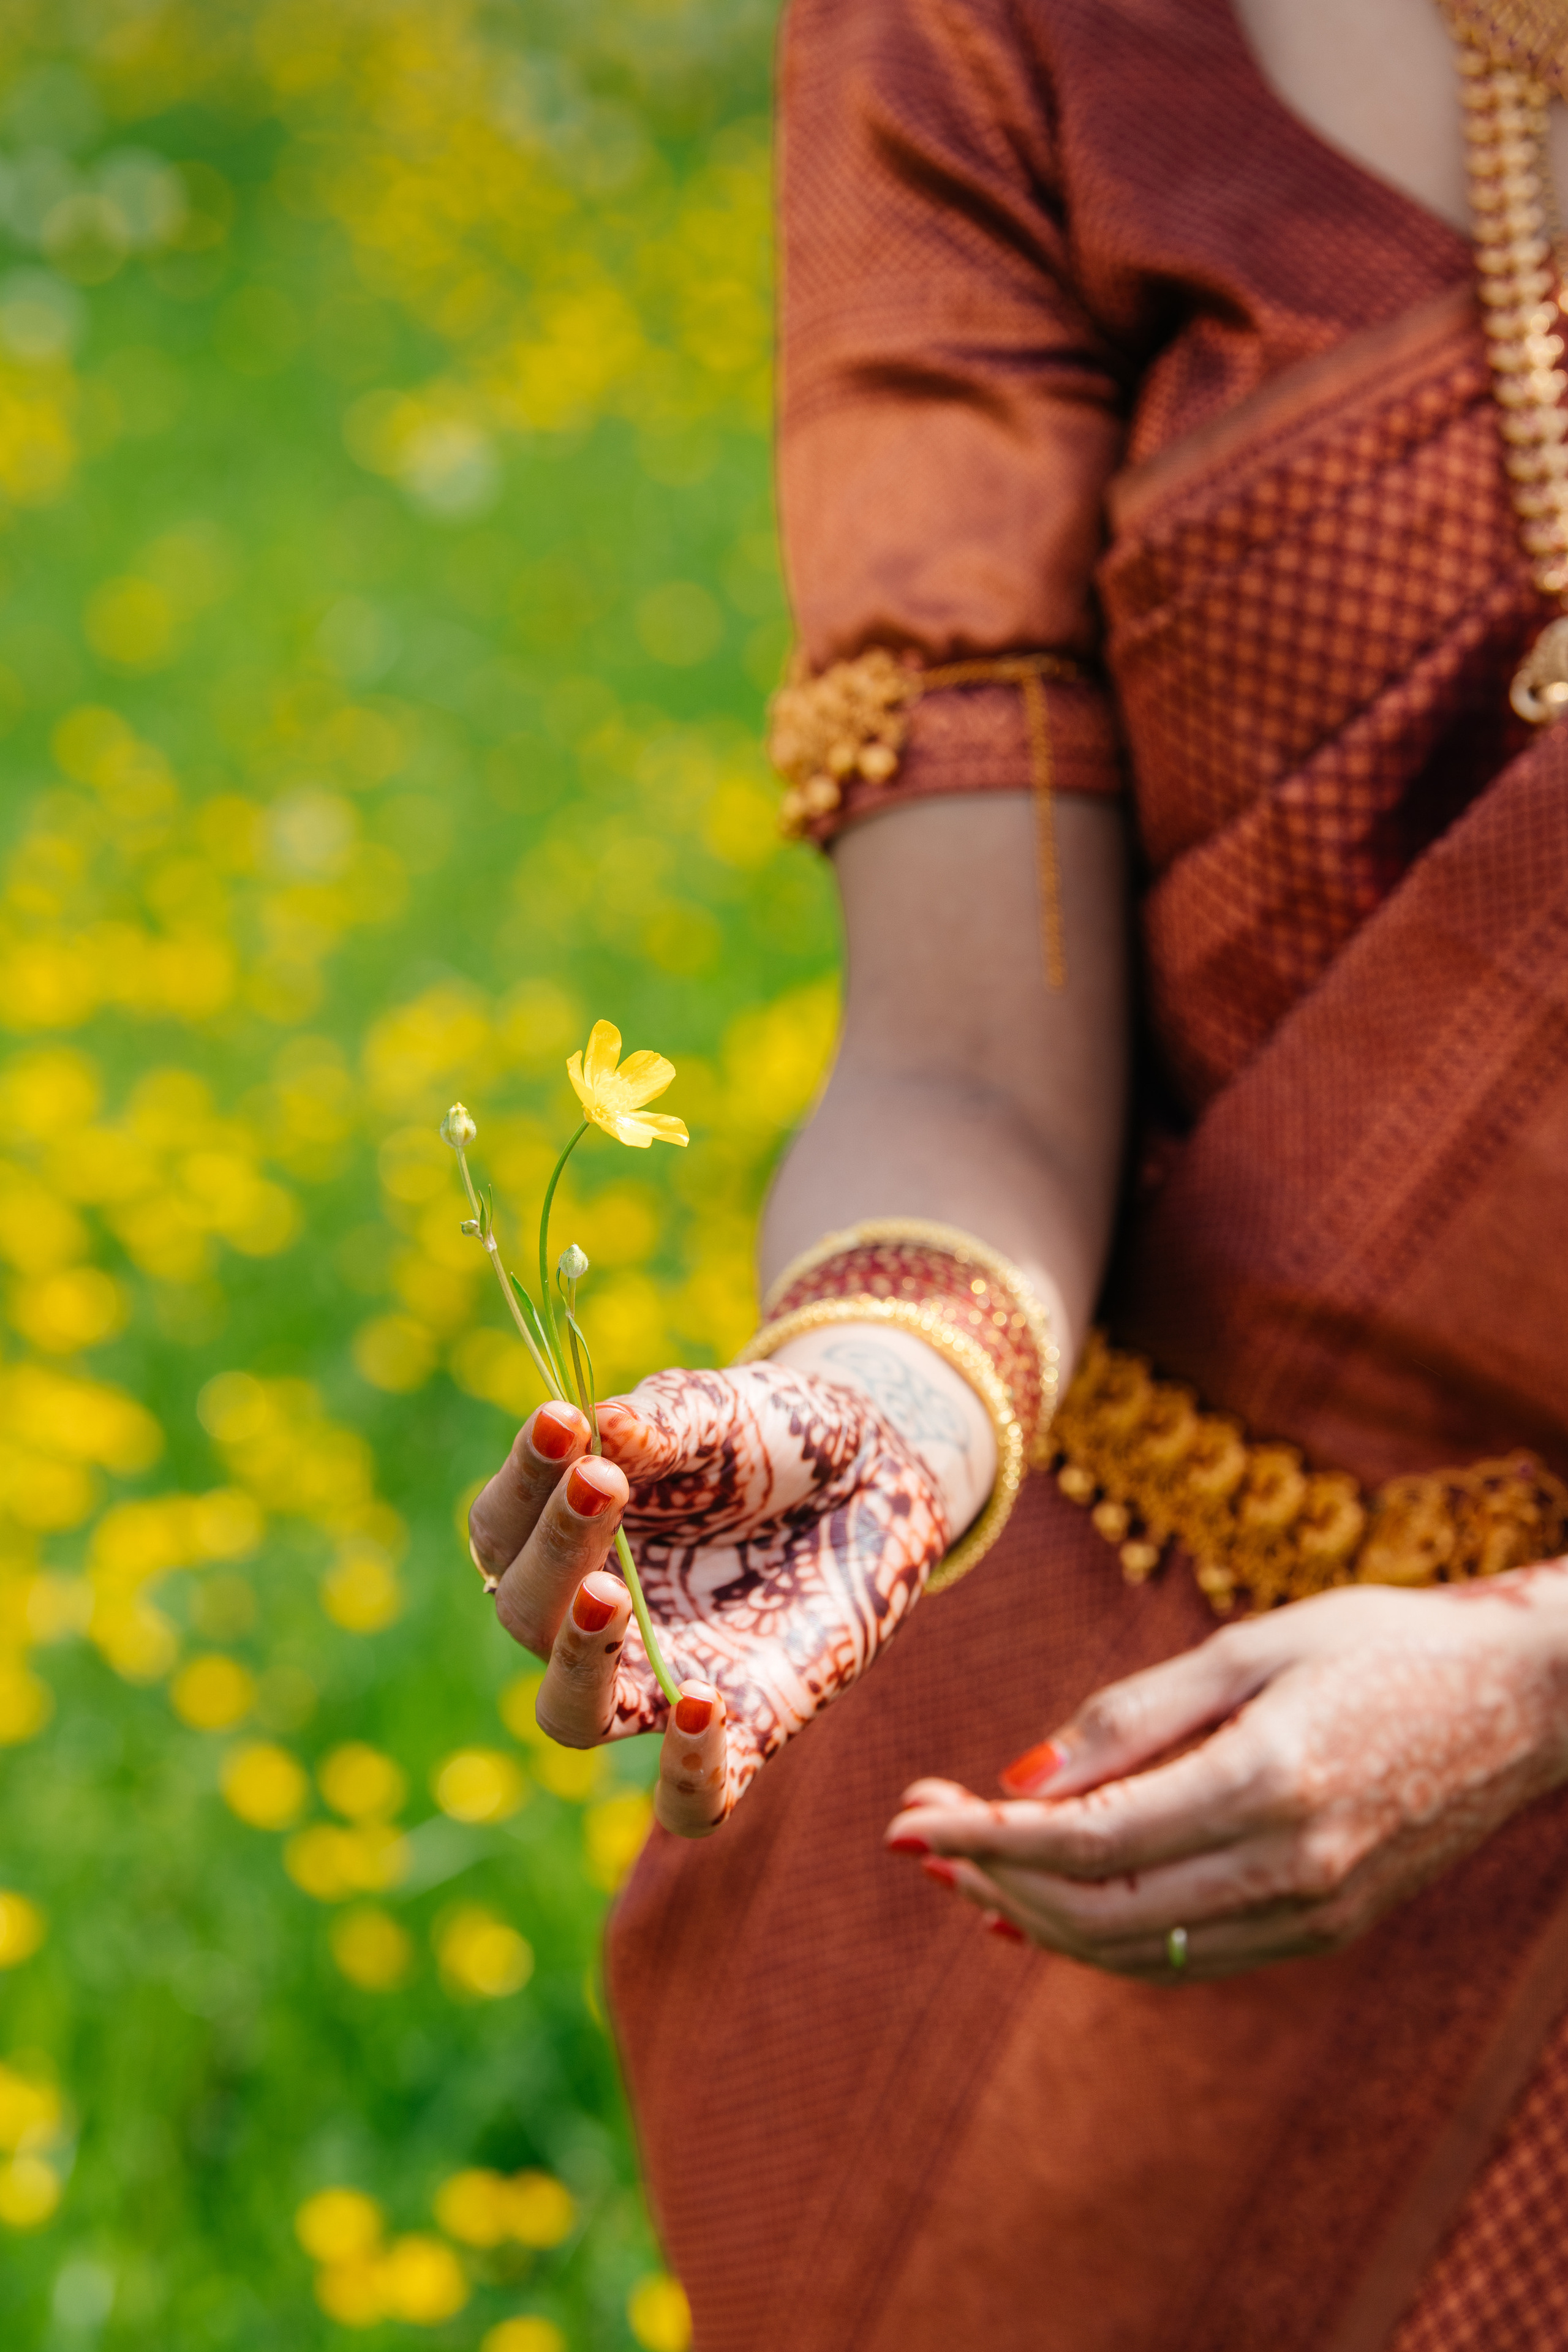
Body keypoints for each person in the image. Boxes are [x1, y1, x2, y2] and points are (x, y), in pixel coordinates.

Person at [466, 0, 1568, 2342]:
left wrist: (1540, 1671)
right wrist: (880, 1402)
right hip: (1135, 1760)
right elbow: (967, 1054)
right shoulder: (989, 36)